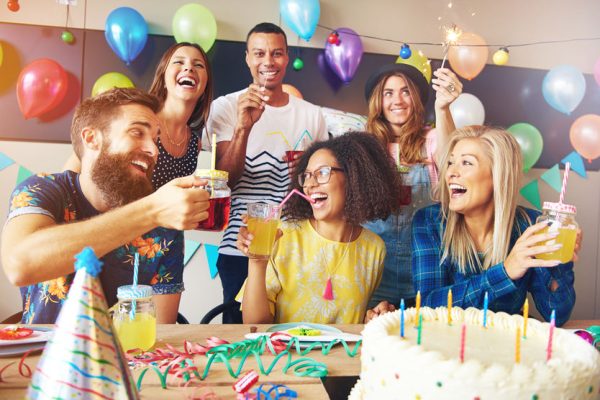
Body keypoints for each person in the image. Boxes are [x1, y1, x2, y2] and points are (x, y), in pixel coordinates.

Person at [1, 88, 210, 324]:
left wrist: (154, 213)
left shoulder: (164, 224)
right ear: (91, 139)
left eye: (155, 139)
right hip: (41, 358)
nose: (153, 150)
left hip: (129, 360)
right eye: (136, 132)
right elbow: (19, 265)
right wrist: (151, 212)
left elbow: (162, 332)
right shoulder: (44, 189)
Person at [208, 22, 328, 323]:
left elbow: (321, 188)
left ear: (286, 58)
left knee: (293, 335)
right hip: (241, 246)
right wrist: (243, 127)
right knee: (241, 340)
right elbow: (225, 181)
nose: (268, 62)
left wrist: (304, 174)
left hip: (297, 247)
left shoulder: (311, 115)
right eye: (259, 53)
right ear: (247, 57)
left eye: (276, 53)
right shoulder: (224, 107)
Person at [411, 126, 580, 326]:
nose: (450, 173)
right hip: (450, 346)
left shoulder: (530, 226)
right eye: (450, 163)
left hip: (509, 348)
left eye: (466, 162)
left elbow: (557, 316)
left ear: (497, 175)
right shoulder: (429, 221)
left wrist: (560, 262)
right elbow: (428, 307)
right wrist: (505, 272)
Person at [236, 132, 401, 324]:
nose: (310, 184)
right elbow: (255, 324)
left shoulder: (374, 248)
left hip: (343, 355)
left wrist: (376, 316)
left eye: (322, 173)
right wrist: (257, 261)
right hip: (289, 353)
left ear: (354, 177)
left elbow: (356, 320)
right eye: (306, 176)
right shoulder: (282, 234)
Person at [363, 62, 462, 314]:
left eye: (405, 91)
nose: (398, 100)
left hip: (425, 267)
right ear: (378, 101)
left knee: (424, 339)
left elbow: (451, 158)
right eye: (388, 93)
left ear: (416, 98)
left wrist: (443, 107)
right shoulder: (364, 145)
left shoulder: (432, 139)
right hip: (374, 270)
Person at [65, 42, 213, 190]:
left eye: (198, 65)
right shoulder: (134, 119)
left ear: (205, 85)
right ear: (164, 78)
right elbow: (70, 175)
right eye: (179, 62)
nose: (189, 68)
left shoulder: (195, 145)